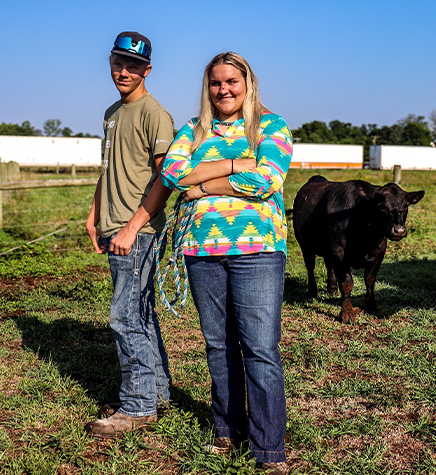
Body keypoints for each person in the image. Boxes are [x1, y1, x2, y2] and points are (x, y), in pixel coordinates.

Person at [160, 52, 293, 474]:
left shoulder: (272, 126)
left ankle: (269, 449)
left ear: (247, 82)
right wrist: (236, 165)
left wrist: (203, 184)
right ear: (208, 87)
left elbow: (268, 178)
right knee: (218, 345)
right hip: (202, 249)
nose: (224, 90)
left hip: (257, 250)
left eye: (232, 81)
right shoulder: (193, 129)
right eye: (216, 83)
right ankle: (227, 430)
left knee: (259, 348)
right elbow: (171, 174)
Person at [84, 31, 174, 438]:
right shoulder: (111, 112)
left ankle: (136, 406)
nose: (124, 71)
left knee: (124, 316)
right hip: (113, 223)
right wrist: (94, 213)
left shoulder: (155, 114)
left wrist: (132, 226)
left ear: (147, 70)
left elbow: (166, 178)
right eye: (118, 63)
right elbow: (109, 169)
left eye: (134, 65)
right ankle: (154, 393)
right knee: (140, 313)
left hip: (135, 230)